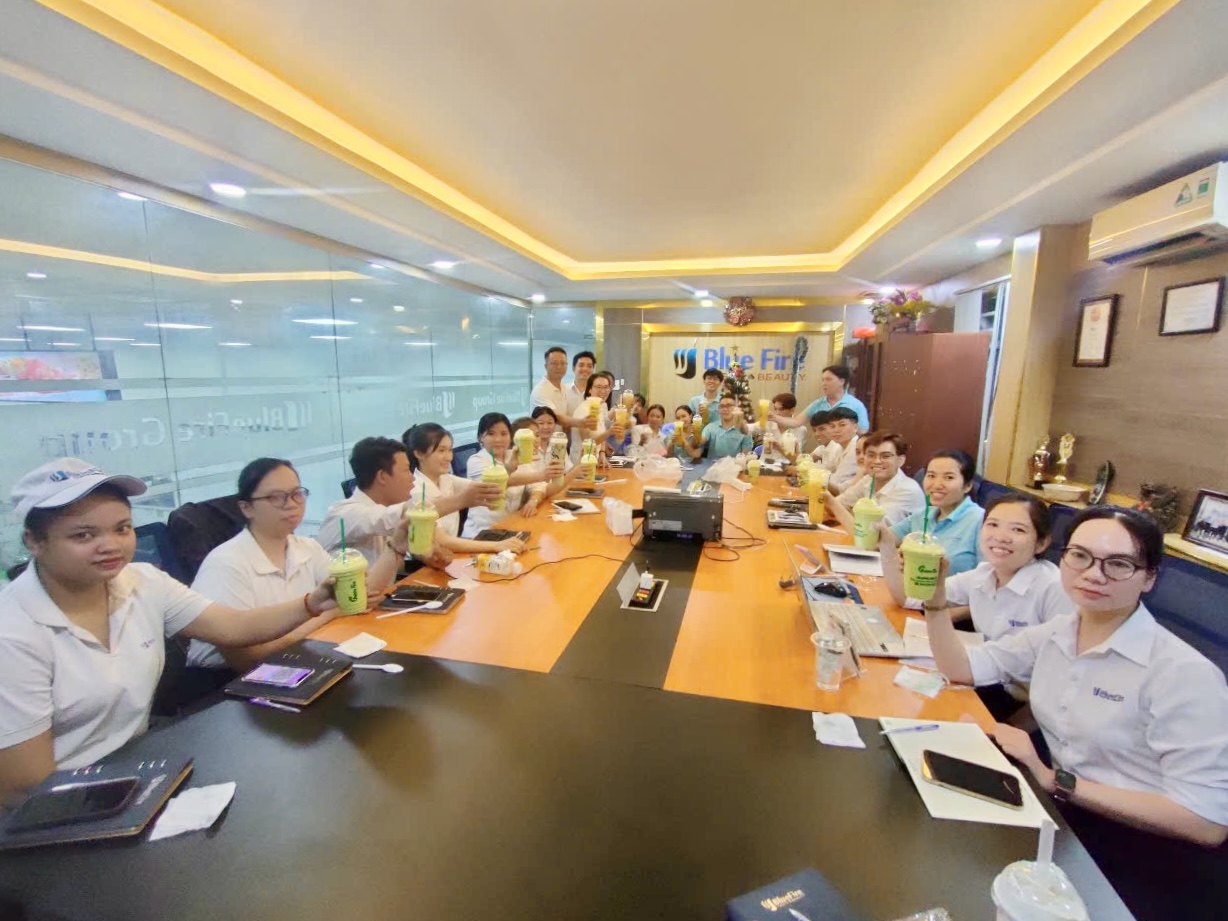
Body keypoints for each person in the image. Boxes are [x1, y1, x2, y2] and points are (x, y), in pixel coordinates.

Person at [0, 459, 343, 797]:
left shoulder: (143, 581)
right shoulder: (13, 632)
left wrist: (312, 602)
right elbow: (26, 787)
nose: (110, 545)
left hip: (136, 764)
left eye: (122, 528)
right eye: (83, 535)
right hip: (63, 802)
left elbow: (234, 626)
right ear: (34, 542)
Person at [923, 507, 1228, 861]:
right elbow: (961, 668)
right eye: (1080, 556)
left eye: (1118, 564)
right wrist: (935, 601)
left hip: (1144, 849)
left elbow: (1207, 822)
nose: (1093, 574)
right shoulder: (1059, 632)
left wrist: (1054, 780)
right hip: (1065, 811)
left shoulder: (1183, 673)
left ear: (1149, 578)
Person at [187, 458, 404, 672]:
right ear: (246, 508)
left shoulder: (306, 547)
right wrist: (330, 613)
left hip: (299, 658)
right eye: (276, 497)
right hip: (228, 681)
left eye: (296, 494)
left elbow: (359, 598)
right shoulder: (226, 564)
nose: (291, 504)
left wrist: (395, 547)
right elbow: (248, 660)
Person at [318, 437, 491, 567]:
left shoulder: (385, 507)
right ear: (382, 476)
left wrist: (426, 555)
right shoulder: (346, 514)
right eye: (406, 470)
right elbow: (403, 516)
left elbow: (403, 540)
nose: (412, 478)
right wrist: (461, 500)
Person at [404, 423, 528, 554]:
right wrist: (496, 545)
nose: (449, 457)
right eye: (441, 451)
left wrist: (508, 470)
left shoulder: (446, 479)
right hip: (430, 561)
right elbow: (442, 540)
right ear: (419, 454)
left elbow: (485, 489)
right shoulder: (416, 491)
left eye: (450, 450)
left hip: (450, 556)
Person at [889, 449, 984, 576]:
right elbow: (885, 539)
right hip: (913, 586)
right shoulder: (924, 514)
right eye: (931, 476)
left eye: (949, 477)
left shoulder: (981, 521)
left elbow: (989, 575)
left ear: (967, 486)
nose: (937, 485)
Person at [463, 412, 558, 538]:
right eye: (491, 434)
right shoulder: (476, 461)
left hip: (512, 528)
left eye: (504, 434)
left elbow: (537, 487)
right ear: (480, 437)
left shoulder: (514, 455)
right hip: (483, 533)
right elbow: (499, 482)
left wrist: (533, 500)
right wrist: (541, 475)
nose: (498, 439)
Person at [825, 432, 924, 530]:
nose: (876, 461)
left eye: (885, 456)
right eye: (871, 455)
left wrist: (832, 502)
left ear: (900, 460)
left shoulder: (908, 490)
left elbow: (872, 529)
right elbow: (836, 506)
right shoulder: (868, 480)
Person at [771, 365, 870, 431]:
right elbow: (796, 422)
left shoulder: (855, 405)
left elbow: (863, 431)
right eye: (823, 380)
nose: (824, 383)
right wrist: (773, 417)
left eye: (828, 379)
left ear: (842, 381)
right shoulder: (818, 404)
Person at [530, 346, 590, 439]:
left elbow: (564, 415)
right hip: (543, 442)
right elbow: (556, 416)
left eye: (563, 363)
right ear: (546, 366)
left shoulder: (563, 386)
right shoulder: (540, 390)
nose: (559, 367)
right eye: (554, 363)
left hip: (559, 441)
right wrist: (581, 422)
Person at [820, 406, 861, 493]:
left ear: (855, 428)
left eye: (842, 425)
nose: (836, 430)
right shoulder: (840, 447)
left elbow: (835, 481)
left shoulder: (856, 448)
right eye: (832, 426)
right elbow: (827, 469)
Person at [564, 350, 596, 424]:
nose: (585, 369)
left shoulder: (596, 393)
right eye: (581, 365)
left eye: (589, 366)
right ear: (573, 368)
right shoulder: (563, 390)